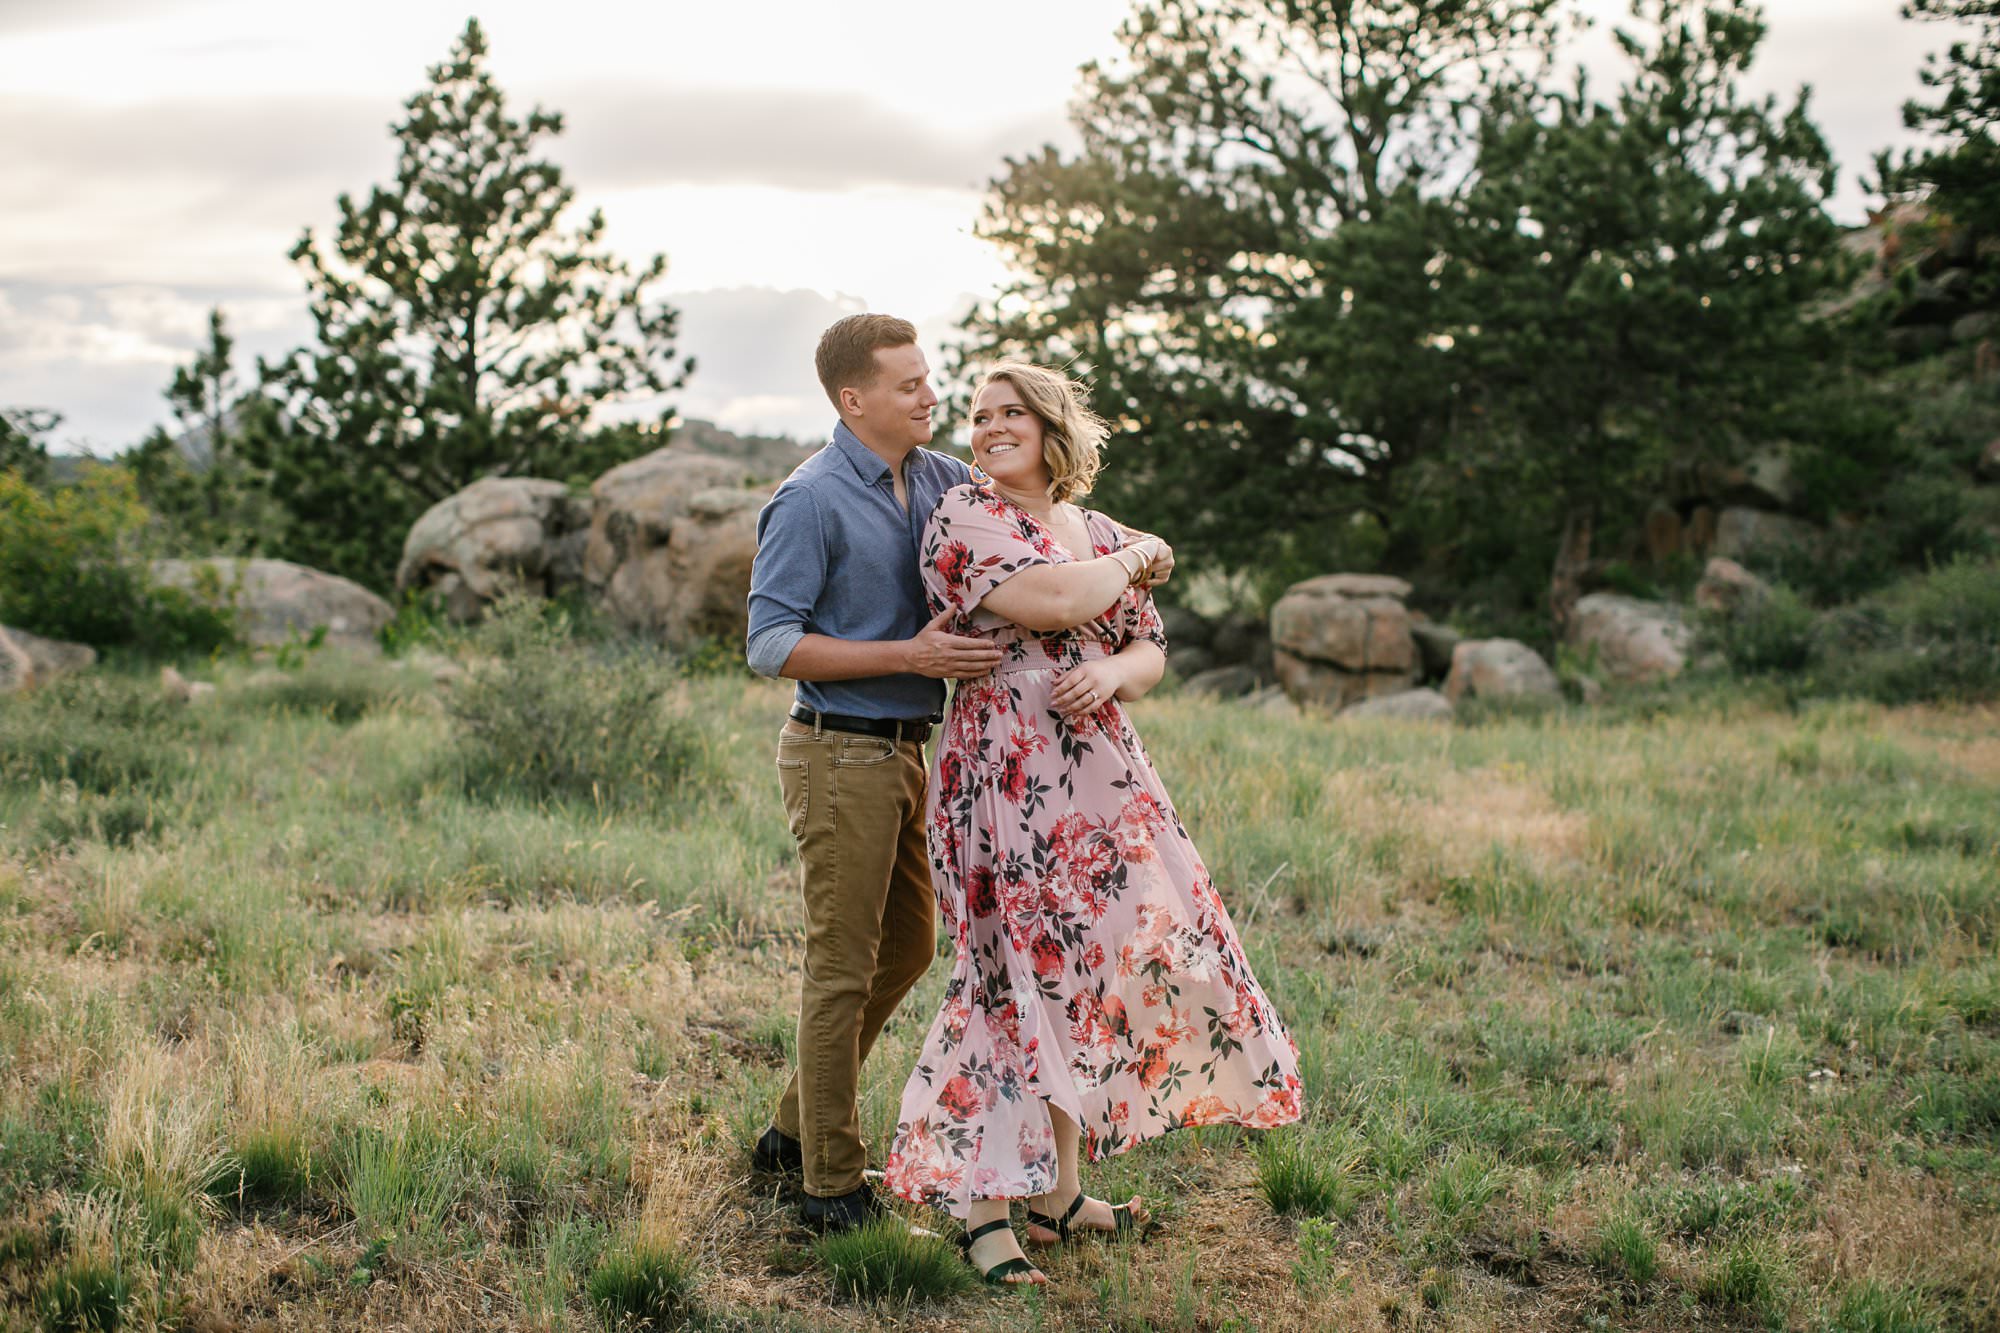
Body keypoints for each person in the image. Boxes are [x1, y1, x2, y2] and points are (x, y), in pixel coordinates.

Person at [882, 362, 1304, 1285]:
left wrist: (1114, 673)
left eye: (1011, 413)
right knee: (1002, 975)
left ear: (1050, 426)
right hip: (1003, 766)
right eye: (980, 413)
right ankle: (980, 1209)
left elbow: (1148, 646)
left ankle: (1059, 1192)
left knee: (1085, 970)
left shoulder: (1095, 527)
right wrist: (1141, 553)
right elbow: (1058, 602)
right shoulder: (967, 515)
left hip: (1103, 773)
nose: (989, 427)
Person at [743, 313, 999, 1232]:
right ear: (854, 401)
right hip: (837, 749)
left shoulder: (939, 478)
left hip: (908, 750)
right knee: (842, 970)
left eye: (930, 380)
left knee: (910, 946)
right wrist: (910, 655)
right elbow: (769, 643)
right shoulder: (808, 498)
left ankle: (790, 1129)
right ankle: (831, 1187)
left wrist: (1125, 545)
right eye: (909, 385)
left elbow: (1024, 517)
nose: (933, 395)